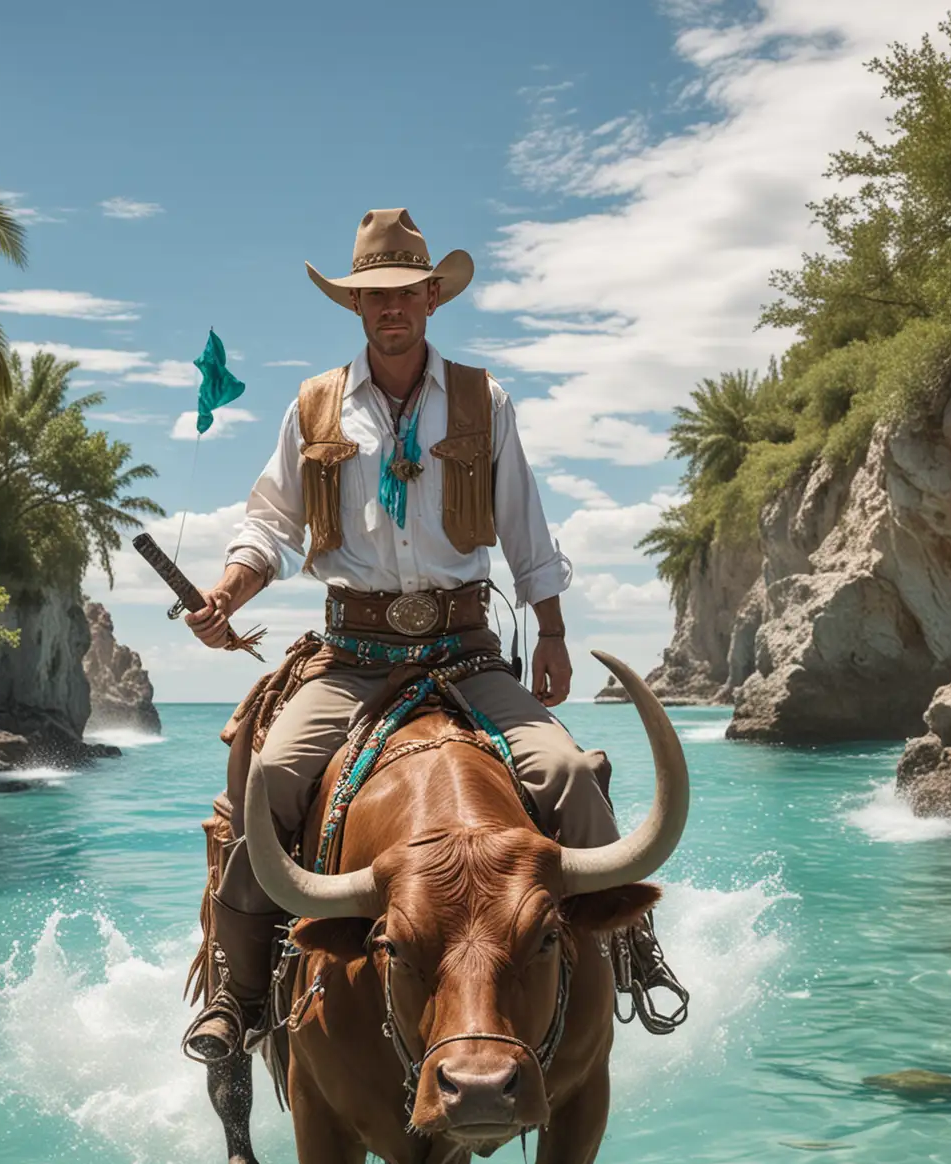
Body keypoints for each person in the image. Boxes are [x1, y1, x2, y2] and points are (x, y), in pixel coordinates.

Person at [182, 208, 685, 1067]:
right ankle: (238, 992)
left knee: (567, 777)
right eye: (373, 295)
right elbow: (269, 523)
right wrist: (229, 589)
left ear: (431, 297)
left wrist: (554, 634)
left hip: (465, 647)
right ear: (355, 306)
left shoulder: (484, 400)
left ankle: (632, 953)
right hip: (351, 654)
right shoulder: (314, 405)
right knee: (269, 784)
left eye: (405, 292)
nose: (391, 308)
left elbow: (526, 527)